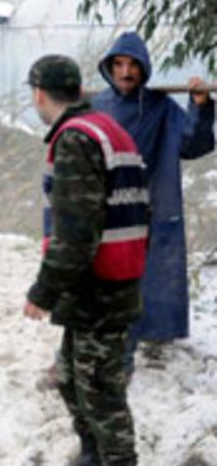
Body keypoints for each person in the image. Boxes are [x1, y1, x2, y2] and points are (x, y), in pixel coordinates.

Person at [24, 54, 149, 466]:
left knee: (100, 394)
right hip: (111, 283)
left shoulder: (77, 140)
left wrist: (43, 291)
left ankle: (114, 460)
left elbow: (76, 232)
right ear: (78, 91)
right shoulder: (108, 129)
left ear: (39, 94)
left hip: (100, 291)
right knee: (72, 381)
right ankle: (93, 454)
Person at [92, 32, 215, 374]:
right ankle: (91, 352)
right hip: (106, 209)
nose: (126, 72)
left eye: (133, 65)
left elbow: (193, 144)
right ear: (109, 67)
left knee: (142, 278)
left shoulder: (160, 108)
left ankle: (127, 354)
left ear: (144, 69)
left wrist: (201, 107)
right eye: (119, 64)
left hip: (148, 207)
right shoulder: (97, 106)